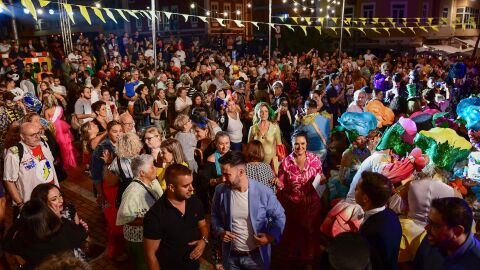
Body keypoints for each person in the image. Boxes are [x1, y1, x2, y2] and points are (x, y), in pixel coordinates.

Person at [211, 151, 285, 270]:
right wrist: (220, 231)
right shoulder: (220, 191)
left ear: (241, 172)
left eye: (227, 174)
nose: (223, 179)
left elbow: (280, 216)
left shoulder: (263, 192)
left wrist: (271, 237)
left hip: (256, 259)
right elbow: (214, 215)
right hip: (231, 258)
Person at [143, 164, 208, 270]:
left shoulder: (195, 202)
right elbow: (150, 255)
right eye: (186, 186)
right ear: (171, 187)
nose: (192, 188)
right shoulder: (155, 216)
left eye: (191, 183)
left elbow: (203, 225)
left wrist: (204, 241)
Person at [277, 131, 324, 266]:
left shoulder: (315, 159)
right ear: (292, 145)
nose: (300, 147)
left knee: (310, 235)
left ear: (307, 144)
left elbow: (321, 178)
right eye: (296, 144)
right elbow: (281, 186)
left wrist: (323, 180)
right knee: (295, 237)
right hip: (293, 207)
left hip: (312, 206)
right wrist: (277, 182)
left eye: (302, 144)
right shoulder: (285, 163)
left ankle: (310, 261)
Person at [4, 199, 87, 269]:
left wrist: (17, 222)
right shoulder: (63, 227)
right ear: (47, 212)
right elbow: (82, 235)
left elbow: (6, 245)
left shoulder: (23, 240)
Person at [116, 154, 163, 270]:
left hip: (150, 236)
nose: (155, 169)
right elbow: (125, 217)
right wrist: (151, 220)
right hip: (139, 240)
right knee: (143, 265)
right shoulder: (133, 192)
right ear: (142, 173)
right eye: (152, 167)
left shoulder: (152, 182)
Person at [413, 197, 480, 270]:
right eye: (428, 221)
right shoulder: (430, 240)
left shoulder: (476, 263)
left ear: (457, 231)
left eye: (435, 225)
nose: (426, 228)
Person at [4, 122, 58, 208]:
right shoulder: (14, 153)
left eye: (38, 133)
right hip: (32, 202)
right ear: (22, 136)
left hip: (51, 197)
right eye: (32, 135)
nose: (37, 137)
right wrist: (20, 204)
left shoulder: (43, 143)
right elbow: (9, 181)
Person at [355, 171, 402, 270]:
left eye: (357, 189)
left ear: (365, 198)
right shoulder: (392, 214)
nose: (355, 190)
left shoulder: (370, 232)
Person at [248, 102, 283, 174]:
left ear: (269, 112)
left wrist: (280, 166)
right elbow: (249, 148)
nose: (264, 114)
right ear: (257, 113)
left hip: (271, 165)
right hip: (256, 165)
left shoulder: (275, 127)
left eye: (266, 111)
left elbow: (280, 147)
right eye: (261, 111)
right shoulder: (253, 128)